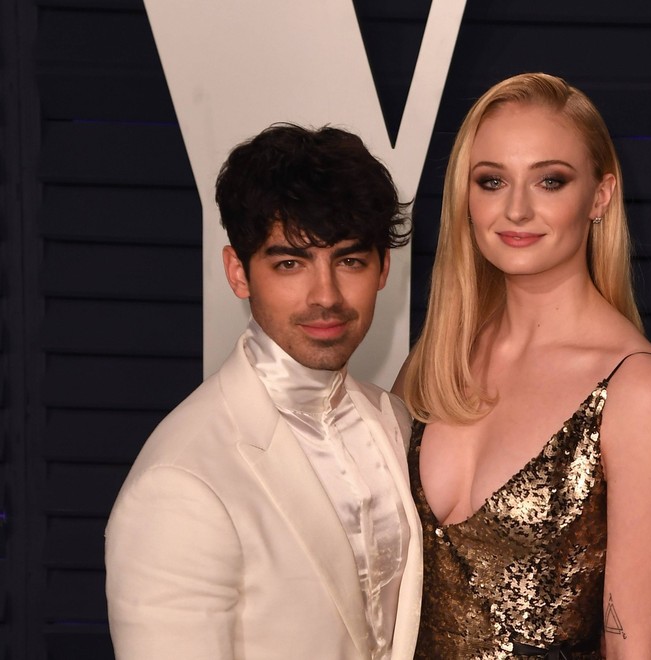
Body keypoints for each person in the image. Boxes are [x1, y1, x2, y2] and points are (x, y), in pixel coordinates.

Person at [393, 73, 651, 659]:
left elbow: (636, 651)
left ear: (600, 197)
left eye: (550, 180)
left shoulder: (637, 390)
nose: (516, 209)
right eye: (492, 181)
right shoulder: (435, 362)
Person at [105, 123, 422, 660]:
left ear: (383, 268)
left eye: (349, 260)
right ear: (238, 273)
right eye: (290, 264)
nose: (326, 296)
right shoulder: (180, 481)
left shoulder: (393, 420)